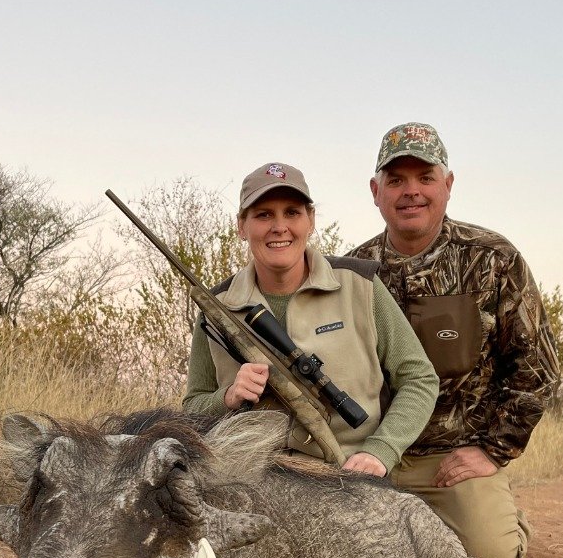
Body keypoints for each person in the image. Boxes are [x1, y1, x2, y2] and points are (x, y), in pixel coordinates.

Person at [346, 123, 560, 558]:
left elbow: (537, 368)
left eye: (425, 178)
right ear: (375, 190)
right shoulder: (350, 273)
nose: (411, 192)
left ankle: (499, 517)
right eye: (396, 180)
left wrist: (492, 451)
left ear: (448, 185)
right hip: (371, 454)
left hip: (452, 458)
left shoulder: (494, 258)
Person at [183, 162, 438, 478]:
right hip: (247, 479)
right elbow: (192, 408)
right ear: (241, 226)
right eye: (263, 215)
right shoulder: (216, 308)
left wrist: (380, 452)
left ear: (311, 220)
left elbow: (419, 379)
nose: (279, 227)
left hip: (346, 475)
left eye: (292, 213)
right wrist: (229, 396)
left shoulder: (361, 285)